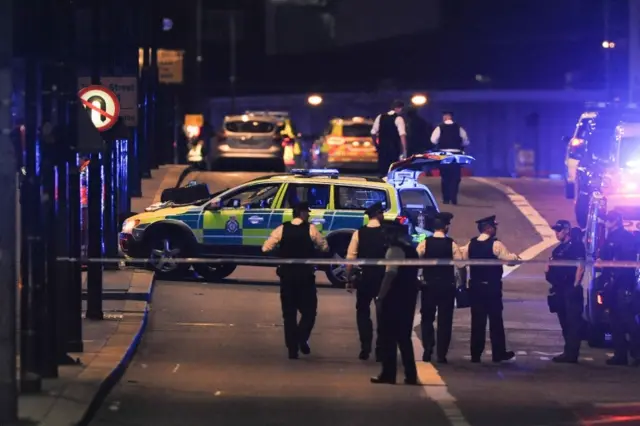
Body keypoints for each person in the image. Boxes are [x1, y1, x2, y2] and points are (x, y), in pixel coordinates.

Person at [262, 201, 330, 359]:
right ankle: (301, 338)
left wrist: (280, 256)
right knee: (310, 312)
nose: (309, 214)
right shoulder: (311, 229)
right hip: (305, 277)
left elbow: (266, 248)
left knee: (289, 314)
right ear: (302, 213)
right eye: (307, 212)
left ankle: (292, 349)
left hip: (287, 277)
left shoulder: (282, 229)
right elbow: (324, 247)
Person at [461, 215, 520, 363]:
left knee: (477, 322)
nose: (495, 229)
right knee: (495, 322)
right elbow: (509, 260)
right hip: (492, 289)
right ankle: (498, 354)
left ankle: (475, 355)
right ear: (488, 228)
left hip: (475, 288)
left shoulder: (471, 244)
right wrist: (516, 257)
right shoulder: (496, 244)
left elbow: (460, 259)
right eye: (494, 227)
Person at [371, 221, 419, 385]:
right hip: (408, 298)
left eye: (387, 233)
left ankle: (388, 374)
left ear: (393, 234)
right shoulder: (411, 250)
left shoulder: (394, 250)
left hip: (393, 298)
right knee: (404, 338)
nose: (385, 236)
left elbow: (390, 275)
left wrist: (380, 297)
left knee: (388, 337)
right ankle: (410, 375)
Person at [416, 212, 464, 364]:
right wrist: (461, 283)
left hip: (428, 285)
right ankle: (442, 354)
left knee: (427, 318)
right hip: (446, 286)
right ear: (445, 227)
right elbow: (461, 264)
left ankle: (428, 349)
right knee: (445, 320)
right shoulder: (451, 244)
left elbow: (415, 259)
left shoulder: (425, 243)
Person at [345, 202, 386, 361]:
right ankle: (381, 349)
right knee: (383, 314)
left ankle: (365, 347)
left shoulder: (359, 233)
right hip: (382, 278)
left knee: (362, 311)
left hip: (364, 278)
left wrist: (349, 279)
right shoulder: (386, 233)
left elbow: (351, 258)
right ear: (378, 214)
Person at [599, 210, 640, 366]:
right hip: (612, 284)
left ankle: (637, 354)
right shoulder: (611, 236)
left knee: (628, 320)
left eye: (609, 220)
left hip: (623, 284)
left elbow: (624, 263)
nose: (606, 222)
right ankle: (620, 355)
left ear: (616, 220)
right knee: (615, 321)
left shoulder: (625, 238)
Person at [545, 219, 586, 363]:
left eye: (559, 230)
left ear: (567, 230)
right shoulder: (558, 249)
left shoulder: (577, 246)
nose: (556, 233)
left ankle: (572, 353)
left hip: (570, 289)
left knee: (573, 322)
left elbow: (580, 267)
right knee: (564, 321)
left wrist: (575, 285)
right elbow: (549, 266)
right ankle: (567, 351)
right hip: (559, 289)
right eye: (556, 230)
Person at [430, 112, 470, 205]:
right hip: (456, 153)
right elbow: (466, 141)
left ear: (445, 117)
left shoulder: (439, 127)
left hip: (444, 154)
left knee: (445, 176)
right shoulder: (459, 128)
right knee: (455, 177)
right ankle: (453, 197)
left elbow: (433, 140)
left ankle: (446, 198)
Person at [371, 100, 408, 177]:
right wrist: (404, 150)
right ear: (398, 108)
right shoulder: (399, 119)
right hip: (394, 149)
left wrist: (376, 145)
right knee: (392, 171)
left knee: (383, 170)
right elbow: (402, 135)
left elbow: (373, 133)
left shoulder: (380, 117)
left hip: (382, 148)